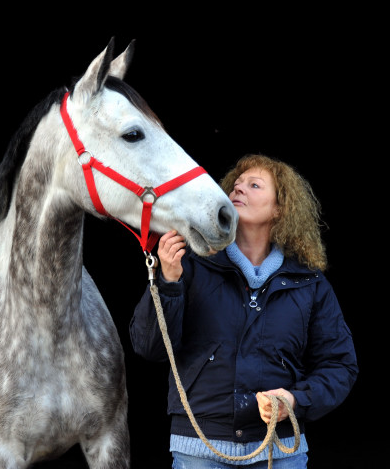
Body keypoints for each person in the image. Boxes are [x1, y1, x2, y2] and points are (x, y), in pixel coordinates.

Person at [129, 154, 358, 468]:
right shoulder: (190, 266)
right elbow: (149, 347)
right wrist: (168, 280)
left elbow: (340, 365)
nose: (238, 191)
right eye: (235, 186)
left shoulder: (310, 284)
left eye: (254, 185)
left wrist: (294, 400)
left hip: (281, 451)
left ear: (281, 208)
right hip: (199, 450)